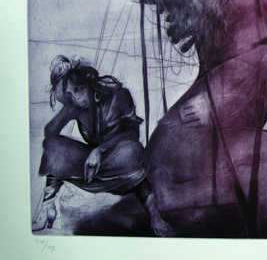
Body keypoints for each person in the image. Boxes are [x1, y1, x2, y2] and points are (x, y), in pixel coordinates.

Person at [33, 56, 172, 236]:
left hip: (121, 160)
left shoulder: (119, 96)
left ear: (90, 83)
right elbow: (50, 132)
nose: (76, 97)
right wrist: (67, 108)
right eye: (70, 93)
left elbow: (133, 134)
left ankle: (155, 218)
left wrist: (100, 150)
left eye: (79, 89)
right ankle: (48, 207)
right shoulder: (75, 105)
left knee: (130, 151)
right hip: (91, 167)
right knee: (52, 147)